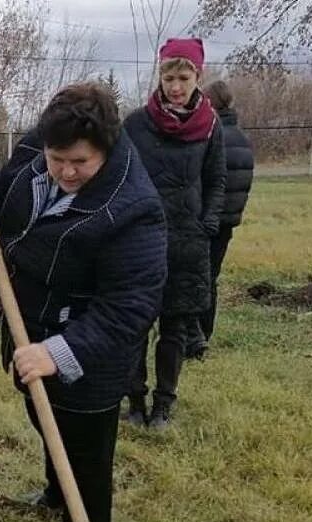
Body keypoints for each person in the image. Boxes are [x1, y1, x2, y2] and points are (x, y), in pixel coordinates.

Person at [0, 84, 167, 522]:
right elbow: (4, 190)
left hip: (90, 345)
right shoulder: (38, 146)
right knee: (41, 411)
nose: (66, 172)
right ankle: (56, 490)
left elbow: (131, 307)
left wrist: (56, 352)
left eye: (80, 162)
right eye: (57, 160)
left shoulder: (134, 208)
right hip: (28, 320)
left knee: (88, 453)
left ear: (107, 149)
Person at [122, 38, 225, 429]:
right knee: (135, 325)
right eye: (169, 77)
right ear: (160, 76)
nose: (176, 86)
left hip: (187, 243)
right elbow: (120, 176)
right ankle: (134, 400)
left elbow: (216, 179)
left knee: (175, 329)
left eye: (184, 77)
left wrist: (207, 222)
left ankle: (164, 404)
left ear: (197, 76)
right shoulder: (135, 124)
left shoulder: (209, 127)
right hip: (141, 243)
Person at [199, 79, 254, 347]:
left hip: (207, 219)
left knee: (199, 278)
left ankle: (195, 335)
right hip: (228, 221)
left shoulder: (211, 135)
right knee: (212, 277)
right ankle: (204, 332)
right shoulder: (242, 137)